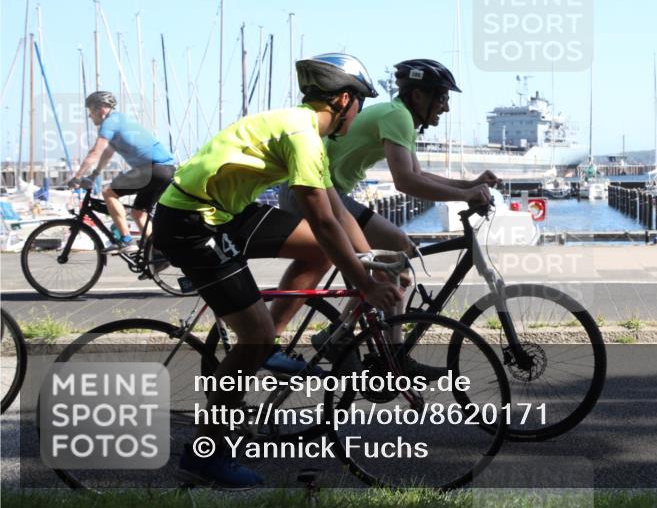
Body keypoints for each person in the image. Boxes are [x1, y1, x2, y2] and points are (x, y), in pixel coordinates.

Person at [153, 53, 401, 488]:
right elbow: (323, 221)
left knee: (317, 252)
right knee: (254, 336)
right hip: (192, 221)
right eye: (360, 102)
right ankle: (206, 454)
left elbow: (336, 212)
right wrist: (364, 284)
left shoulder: (307, 131)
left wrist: (370, 265)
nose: (359, 111)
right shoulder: (302, 135)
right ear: (344, 100)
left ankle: (264, 349)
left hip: (227, 211)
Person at [278, 59, 495, 350]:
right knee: (393, 252)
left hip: (328, 193)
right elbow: (405, 182)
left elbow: (418, 174)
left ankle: (348, 338)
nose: (446, 107)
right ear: (419, 95)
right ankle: (377, 349)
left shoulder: (400, 115)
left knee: (394, 266)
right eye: (442, 97)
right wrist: (466, 196)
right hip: (313, 192)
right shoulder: (398, 116)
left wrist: (468, 185)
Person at [67, 91, 175, 254]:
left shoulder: (110, 122)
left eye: (90, 111)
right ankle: (160, 253)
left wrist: (77, 177)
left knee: (108, 193)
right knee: (138, 213)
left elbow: (95, 152)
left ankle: (126, 240)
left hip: (152, 169)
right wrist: (94, 174)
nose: (89, 117)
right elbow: (107, 153)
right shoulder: (120, 120)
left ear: (101, 109)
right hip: (166, 170)